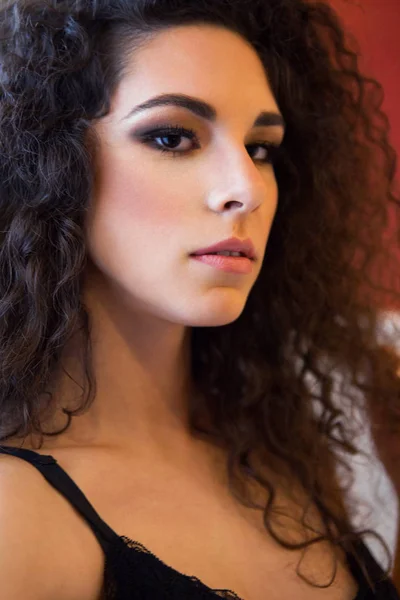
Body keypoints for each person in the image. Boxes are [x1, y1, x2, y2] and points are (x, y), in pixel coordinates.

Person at [0, 0, 399, 598]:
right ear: (49, 168)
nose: (245, 188)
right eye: (173, 137)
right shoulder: (16, 516)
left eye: (261, 148)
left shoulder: (279, 452)